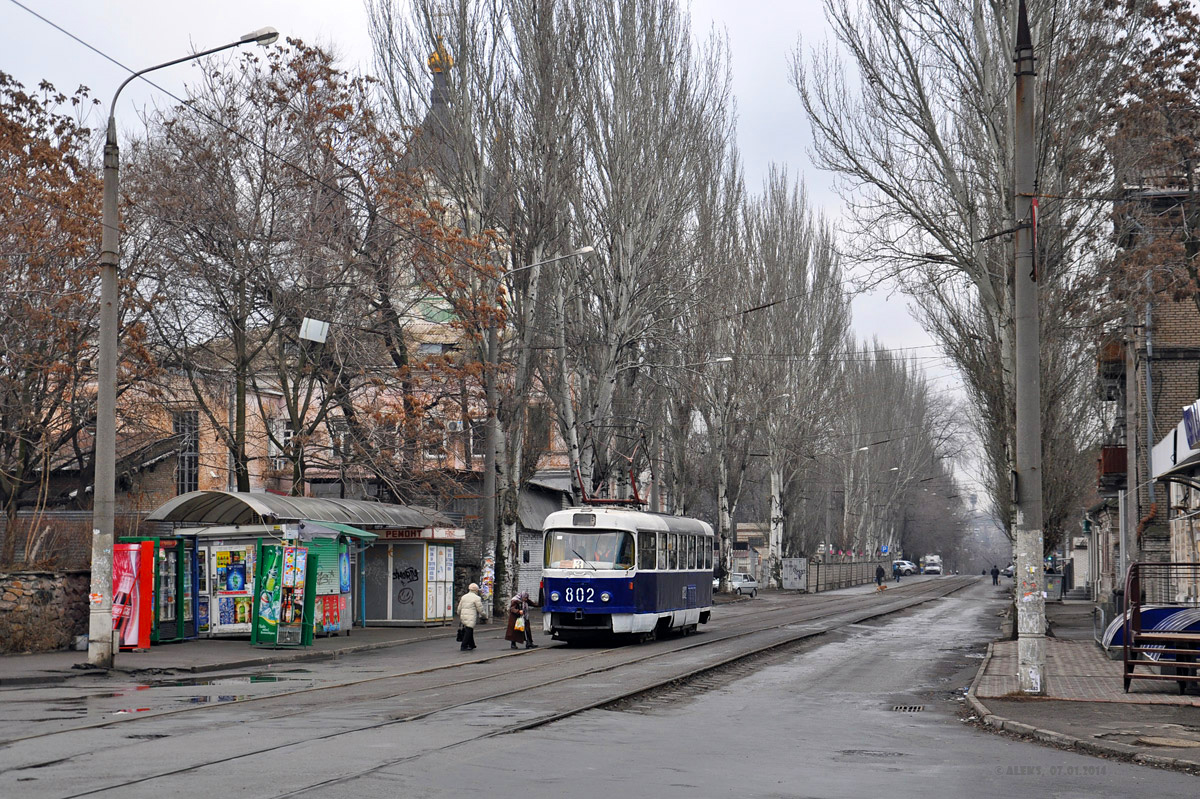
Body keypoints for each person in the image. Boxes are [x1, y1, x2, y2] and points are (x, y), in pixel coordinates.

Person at [457, 582, 486, 651]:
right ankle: (463, 646)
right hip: (471, 616)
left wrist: (459, 613)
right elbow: (480, 608)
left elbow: (459, 607)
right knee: (469, 630)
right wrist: (484, 615)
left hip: (463, 615)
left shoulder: (464, 597)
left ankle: (471, 644)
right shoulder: (477, 598)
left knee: (469, 630)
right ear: (476, 590)